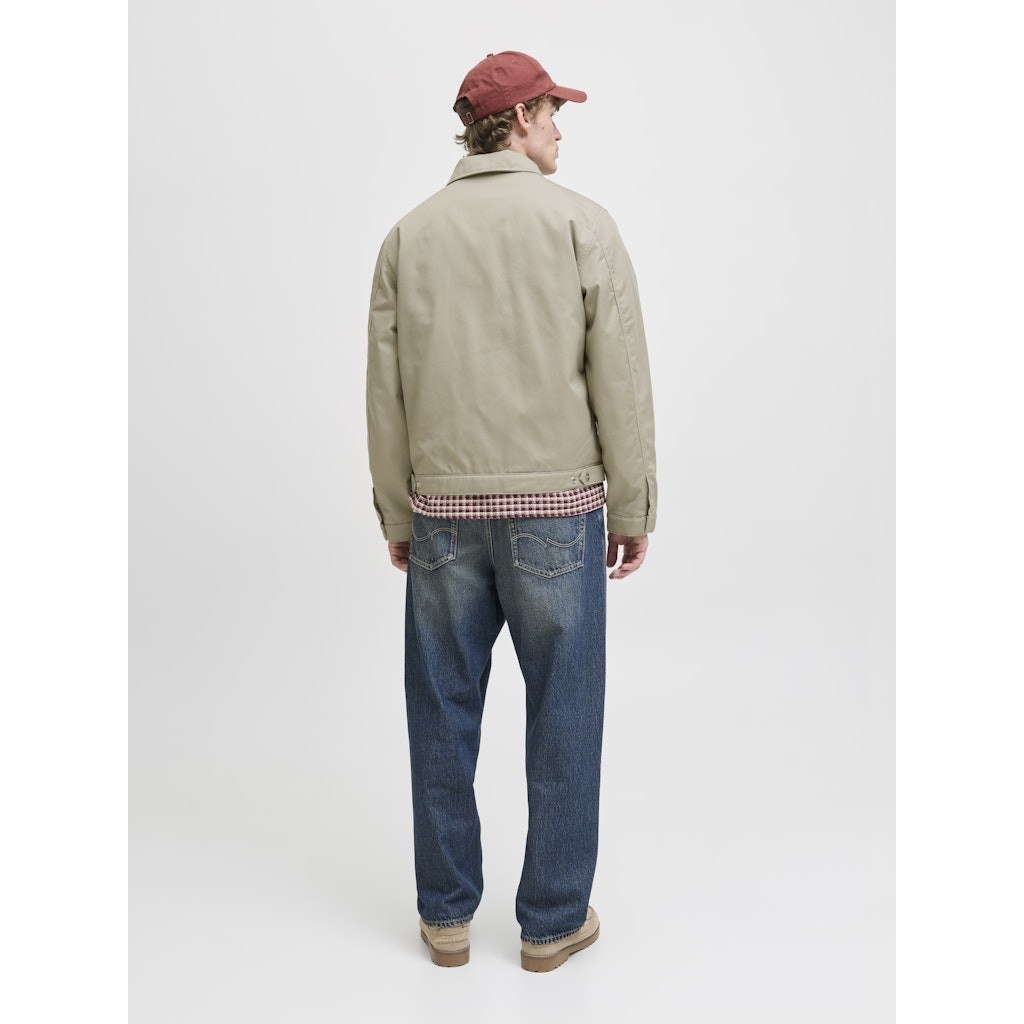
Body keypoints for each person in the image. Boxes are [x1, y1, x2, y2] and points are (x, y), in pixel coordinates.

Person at [365, 50, 657, 972]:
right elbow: (620, 377)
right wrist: (633, 503)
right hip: (557, 515)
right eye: (554, 112)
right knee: (564, 712)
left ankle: (446, 916)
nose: (561, 128)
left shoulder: (409, 236)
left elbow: (385, 394)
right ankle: (553, 921)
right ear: (521, 118)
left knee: (441, 714)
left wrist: (397, 516)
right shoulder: (580, 224)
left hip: (444, 514)